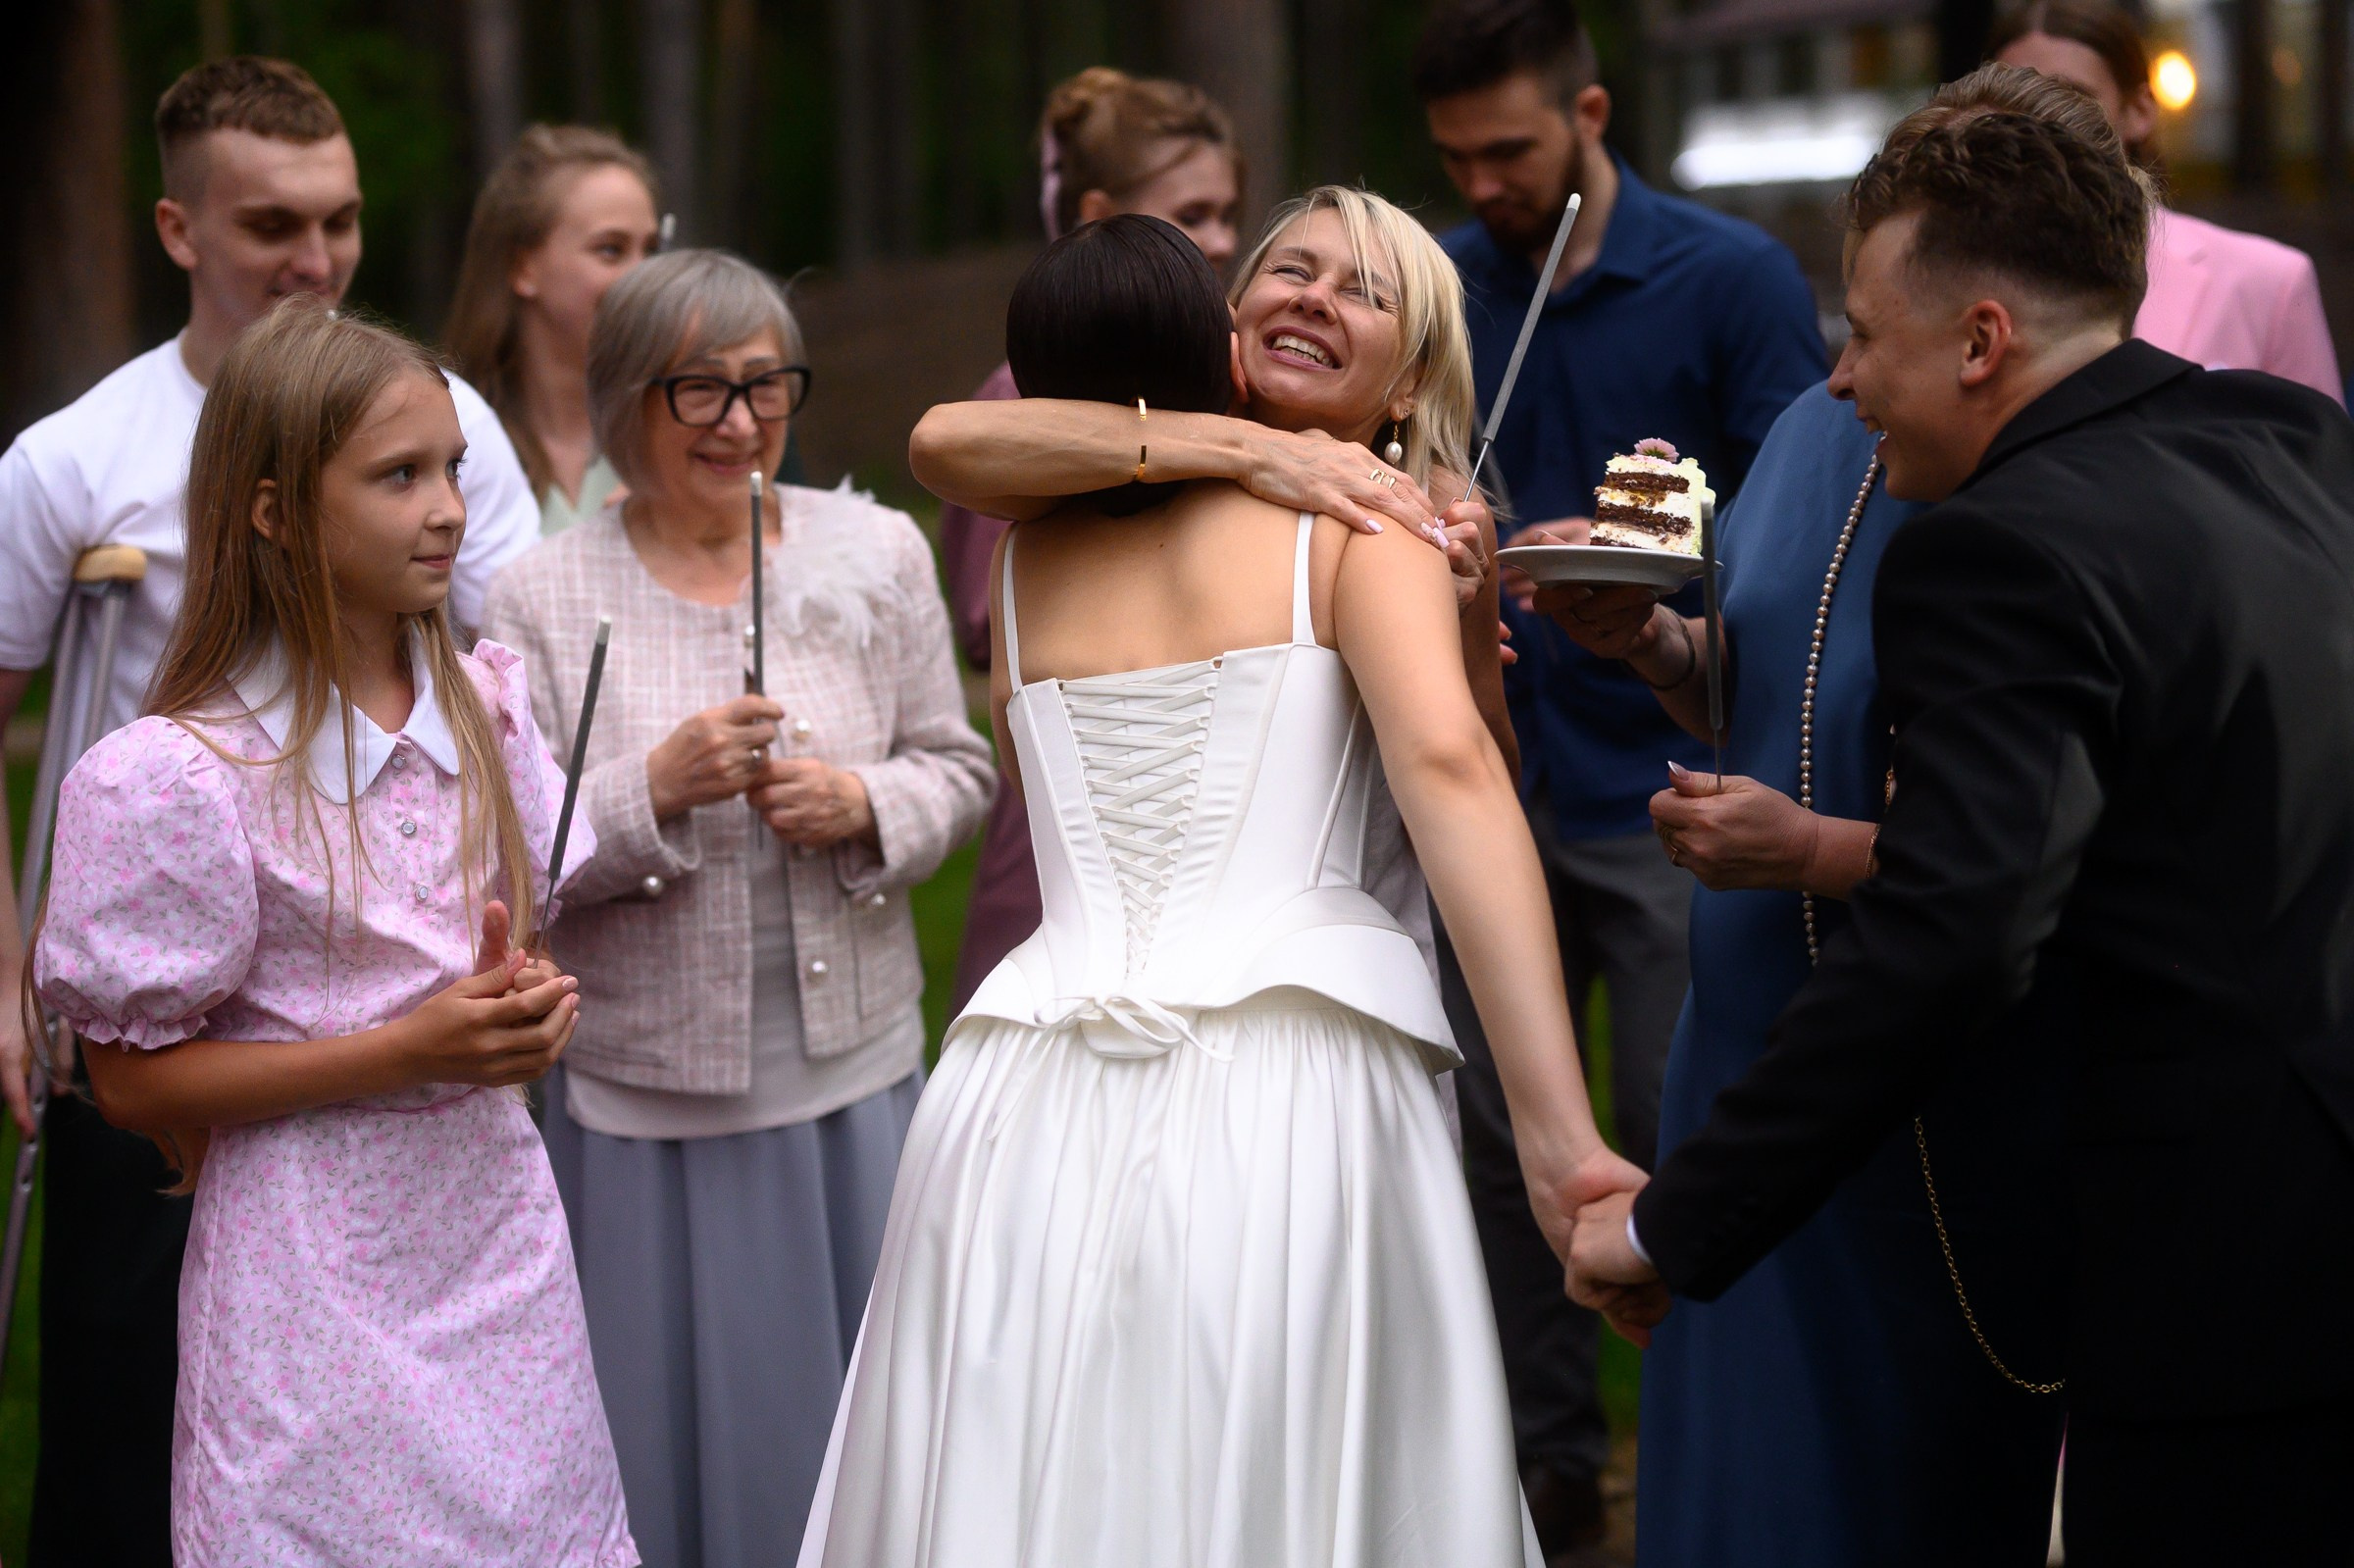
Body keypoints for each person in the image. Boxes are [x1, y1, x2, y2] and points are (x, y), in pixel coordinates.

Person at [1568, 67, 2354, 1568]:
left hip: (2216, 1285)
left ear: (1983, 341)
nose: (1844, 378)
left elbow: (1954, 927)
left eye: (1864, 334)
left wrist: (1677, 1224)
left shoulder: (1997, 550)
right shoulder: (2292, 446)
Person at [799, 209, 1640, 1568]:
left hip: (1023, 1099)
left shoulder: (1030, 557)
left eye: (1364, 290)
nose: (1316, 295)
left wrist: (1465, 622)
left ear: (1415, 374)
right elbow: (1454, 789)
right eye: (1288, 270)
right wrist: (1557, 1141)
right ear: (1224, 327)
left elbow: (1461, 756)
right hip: (1280, 1084)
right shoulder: (1364, 531)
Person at [1529, 76, 2140, 1568]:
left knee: (1870, 1496)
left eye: (1864, 324)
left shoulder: (2029, 480)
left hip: (1904, 1089)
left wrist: (1805, 849)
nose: (1840, 361)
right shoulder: (1815, 431)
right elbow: (1767, 675)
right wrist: (1651, 646)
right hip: (1736, 1059)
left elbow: (2047, 854)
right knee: (1721, 1492)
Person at [0, 56, 541, 1565]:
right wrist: (6, 966)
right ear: (178, 230)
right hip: (177, 947)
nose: (315, 259)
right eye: (272, 227)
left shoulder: (447, 425)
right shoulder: (69, 458)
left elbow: (488, 676)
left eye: (344, 221)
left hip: (397, 995)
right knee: (128, 1396)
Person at [29, 295, 632, 1567]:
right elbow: (129, 1077)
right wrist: (405, 1050)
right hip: (312, 1289)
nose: (449, 509)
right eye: (399, 475)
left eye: (455, 468)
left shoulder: (485, 707)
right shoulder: (184, 776)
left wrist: (515, 1011)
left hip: (497, 1250)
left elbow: (500, 952)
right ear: (273, 511)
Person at [486, 248, 994, 1568]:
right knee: (671, 1425)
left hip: (852, 1069)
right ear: (618, 403)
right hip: (648, 1092)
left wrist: (866, 804)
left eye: (766, 385)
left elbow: (962, 761)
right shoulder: (541, 593)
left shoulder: (875, 547)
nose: (738, 420)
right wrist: (648, 788)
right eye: (696, 388)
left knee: (871, 1417)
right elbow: (501, 858)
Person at [1408, 0, 1827, 1543]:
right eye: (1459, 158)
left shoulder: (1725, 276)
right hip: (1488, 790)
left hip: (1665, 778)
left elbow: (1796, 520)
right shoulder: (1446, 284)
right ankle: (1545, 1459)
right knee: (1499, 1135)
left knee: (1673, 1118)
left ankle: (1710, 1440)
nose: (1488, 182)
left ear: (1588, 111)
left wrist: (1656, 586)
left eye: (1510, 149)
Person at [940, 67, 1243, 1013]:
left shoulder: (1232, 375)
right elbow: (992, 619)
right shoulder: (1014, 404)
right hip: (1071, 817)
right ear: (1104, 213)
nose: (1227, 238)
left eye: (1231, 209)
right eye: (1196, 211)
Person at [1991, 0, 2345, 403]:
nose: (2042, 127)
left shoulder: (2268, 282)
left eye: (2071, 101)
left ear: (2139, 110)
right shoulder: (1963, 275)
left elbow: (2317, 459)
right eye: (2016, 106)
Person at [446, 125, 665, 533]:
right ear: (522, 267)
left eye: (650, 250)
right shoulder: (448, 437)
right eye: (611, 249)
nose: (644, 277)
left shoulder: (698, 425)